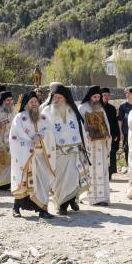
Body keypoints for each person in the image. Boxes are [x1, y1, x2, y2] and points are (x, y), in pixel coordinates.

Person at [41, 84, 90, 215]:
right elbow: (43, 129)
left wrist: (84, 144)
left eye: (59, 97)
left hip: (74, 151)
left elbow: (80, 128)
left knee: (73, 178)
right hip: (56, 152)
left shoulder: (72, 110)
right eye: (55, 97)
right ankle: (61, 204)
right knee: (59, 180)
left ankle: (71, 201)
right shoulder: (46, 111)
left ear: (65, 98)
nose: (56, 100)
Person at [10, 92, 56, 219]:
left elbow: (50, 132)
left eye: (36, 101)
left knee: (43, 182)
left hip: (42, 156)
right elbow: (15, 137)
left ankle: (43, 210)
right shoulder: (19, 118)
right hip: (26, 157)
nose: (34, 104)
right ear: (26, 105)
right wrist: (30, 142)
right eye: (31, 102)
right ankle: (16, 208)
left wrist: (42, 136)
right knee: (23, 182)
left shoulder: (44, 118)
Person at [78, 86, 112, 206]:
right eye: (95, 97)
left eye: (98, 97)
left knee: (101, 170)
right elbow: (80, 126)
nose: (97, 99)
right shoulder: (82, 108)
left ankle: (102, 198)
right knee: (90, 170)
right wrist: (87, 134)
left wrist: (108, 134)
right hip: (89, 145)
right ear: (89, 97)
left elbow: (105, 123)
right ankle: (89, 197)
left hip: (101, 144)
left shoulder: (101, 108)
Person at [0, 91, 16, 191]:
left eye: (11, 100)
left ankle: (9, 182)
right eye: (7, 100)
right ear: (2, 101)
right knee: (0, 164)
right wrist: (0, 126)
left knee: (10, 164)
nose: (9, 102)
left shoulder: (13, 110)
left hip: (11, 141)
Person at [101, 87, 120, 180]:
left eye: (108, 95)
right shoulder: (97, 107)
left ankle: (109, 174)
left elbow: (115, 122)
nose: (106, 97)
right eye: (104, 95)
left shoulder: (112, 108)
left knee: (111, 154)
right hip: (99, 136)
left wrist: (116, 134)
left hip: (110, 135)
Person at [118, 87, 132, 164]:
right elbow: (120, 120)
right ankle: (129, 167)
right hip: (126, 132)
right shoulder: (123, 106)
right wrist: (121, 133)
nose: (127, 94)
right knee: (127, 149)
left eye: (129, 93)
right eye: (126, 93)